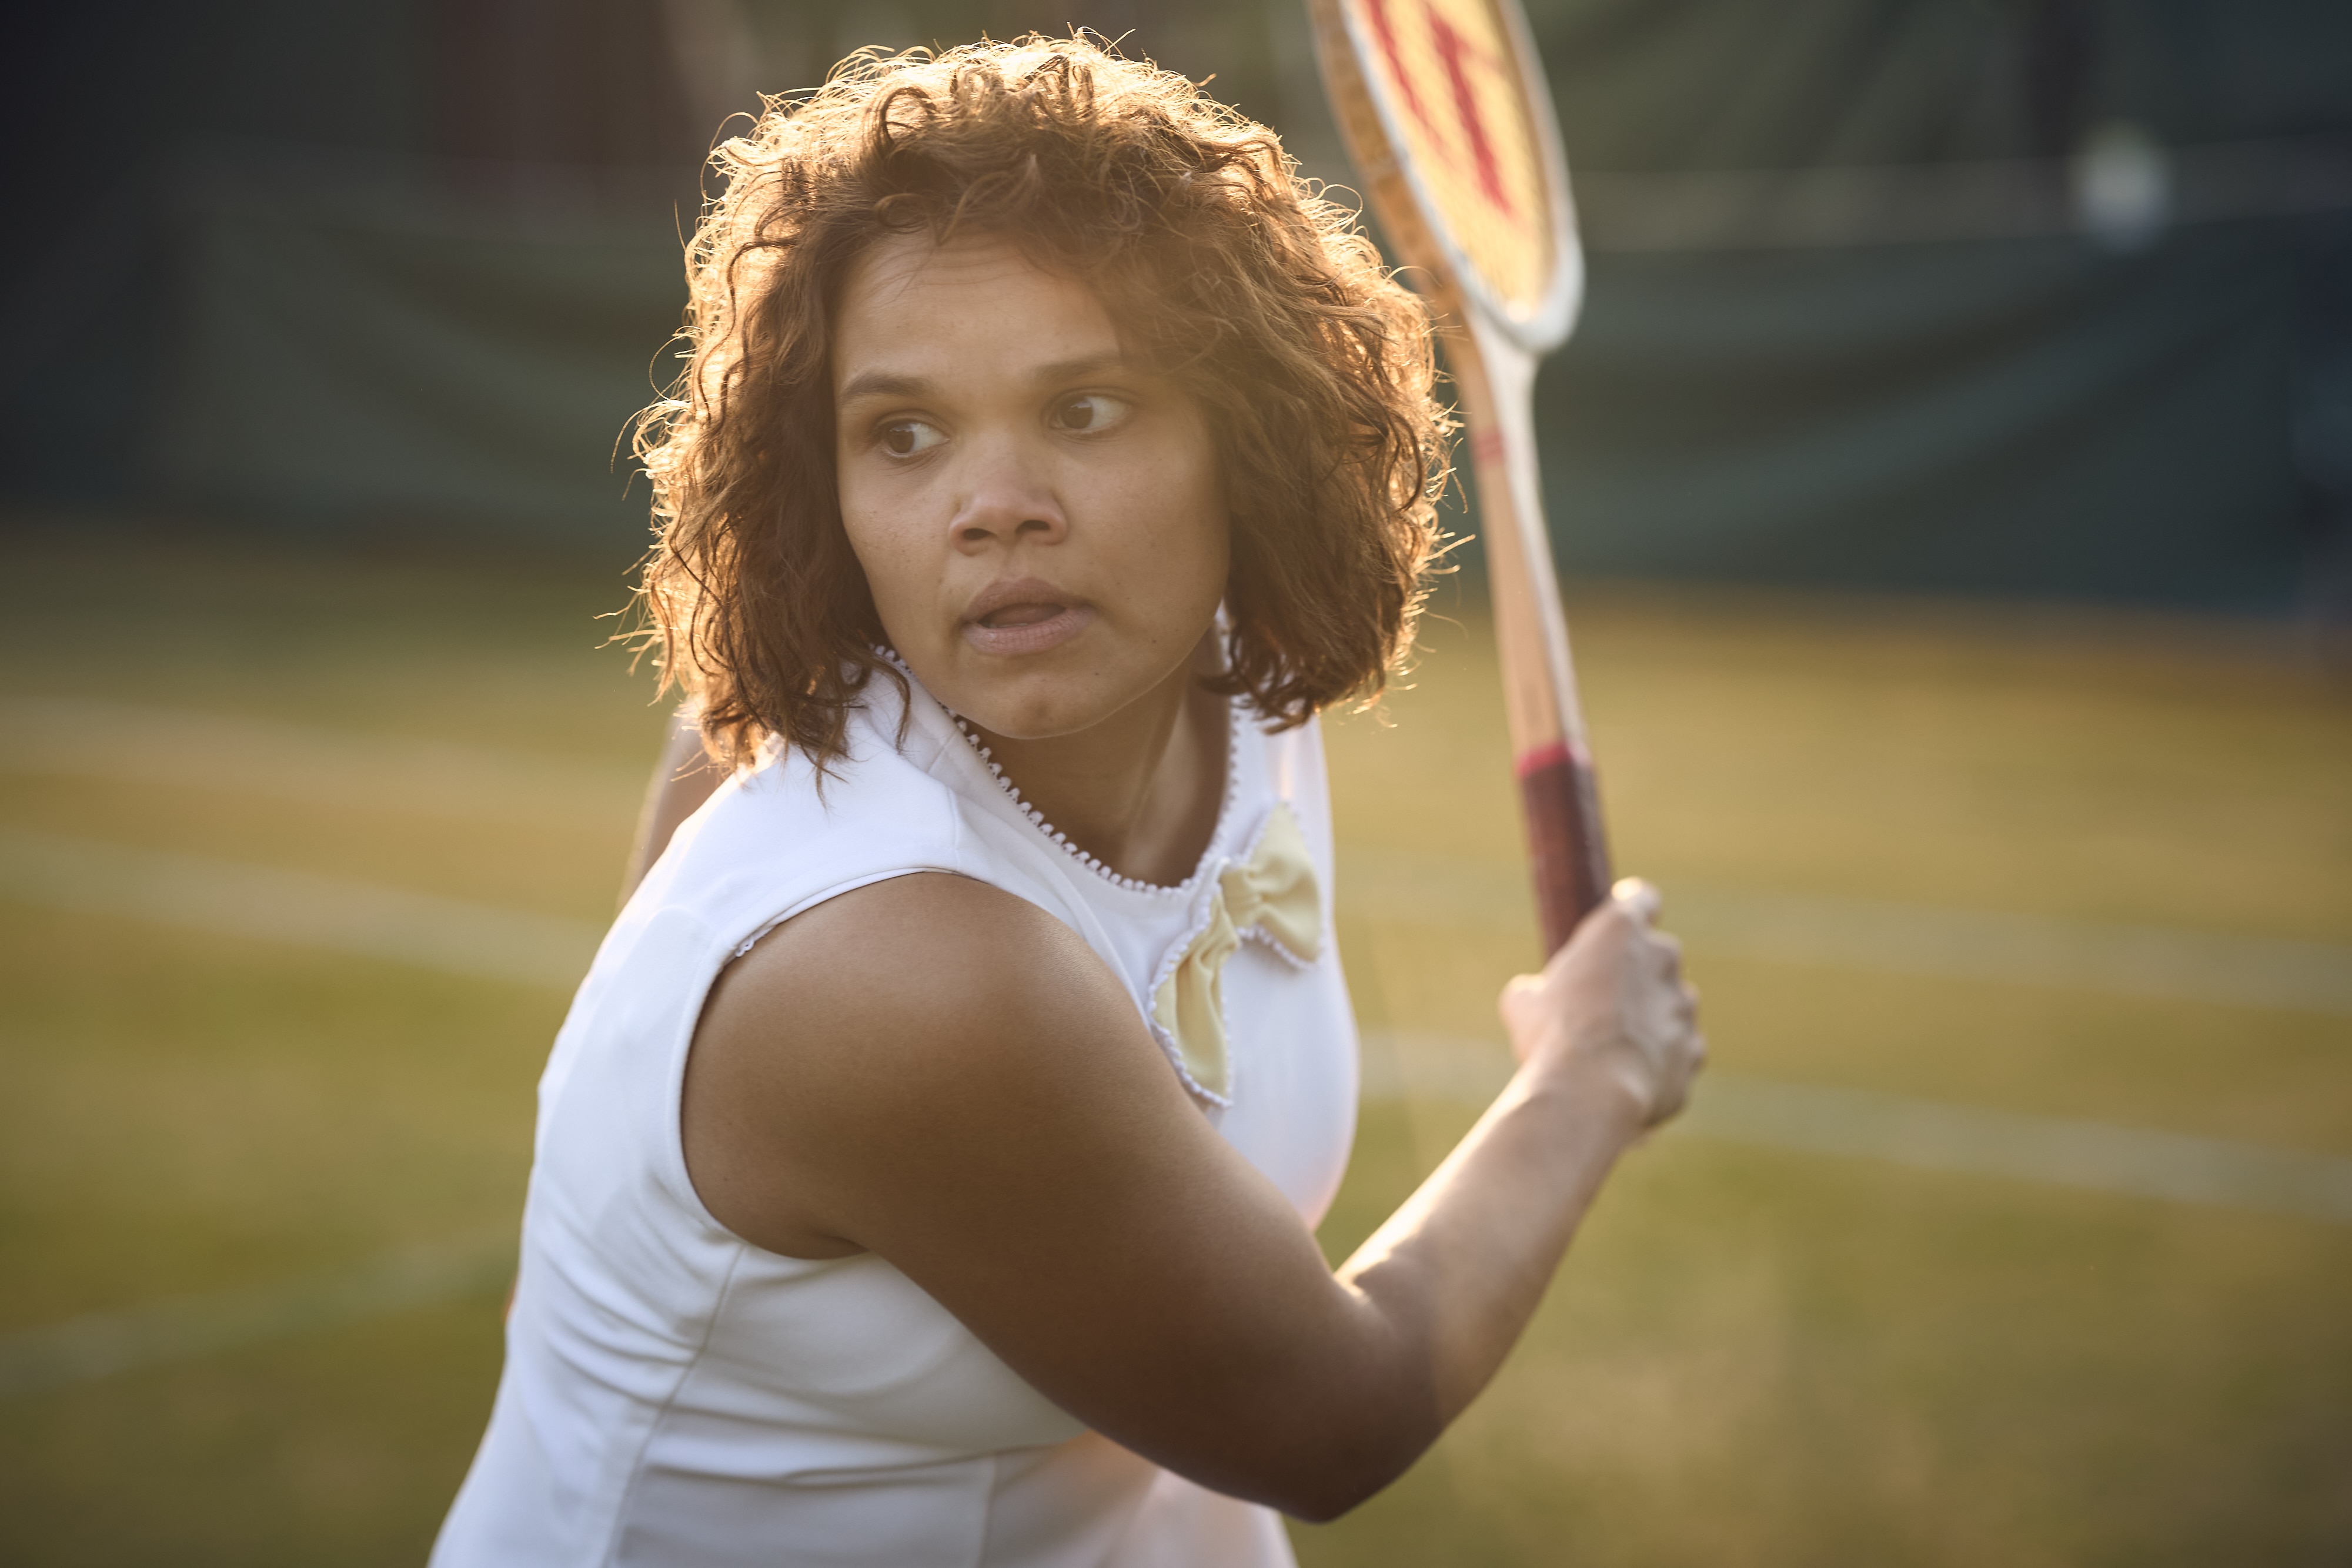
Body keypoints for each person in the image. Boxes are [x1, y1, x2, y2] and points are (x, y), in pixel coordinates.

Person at [432, 35, 1702, 1567]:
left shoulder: (1219, 668)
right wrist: (1590, 1068)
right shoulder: (911, 975)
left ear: (1248, 439)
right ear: (817, 486)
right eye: (903, 432)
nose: (995, 505)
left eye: (1085, 408)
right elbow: (1332, 1413)